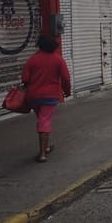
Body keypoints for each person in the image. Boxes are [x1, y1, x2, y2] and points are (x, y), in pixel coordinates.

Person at [21, 34, 71, 163]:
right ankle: (42, 153)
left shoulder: (32, 60)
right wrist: (67, 91)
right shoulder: (58, 59)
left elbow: (25, 79)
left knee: (42, 120)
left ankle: (46, 146)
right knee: (45, 121)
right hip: (50, 96)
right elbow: (65, 78)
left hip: (33, 97)